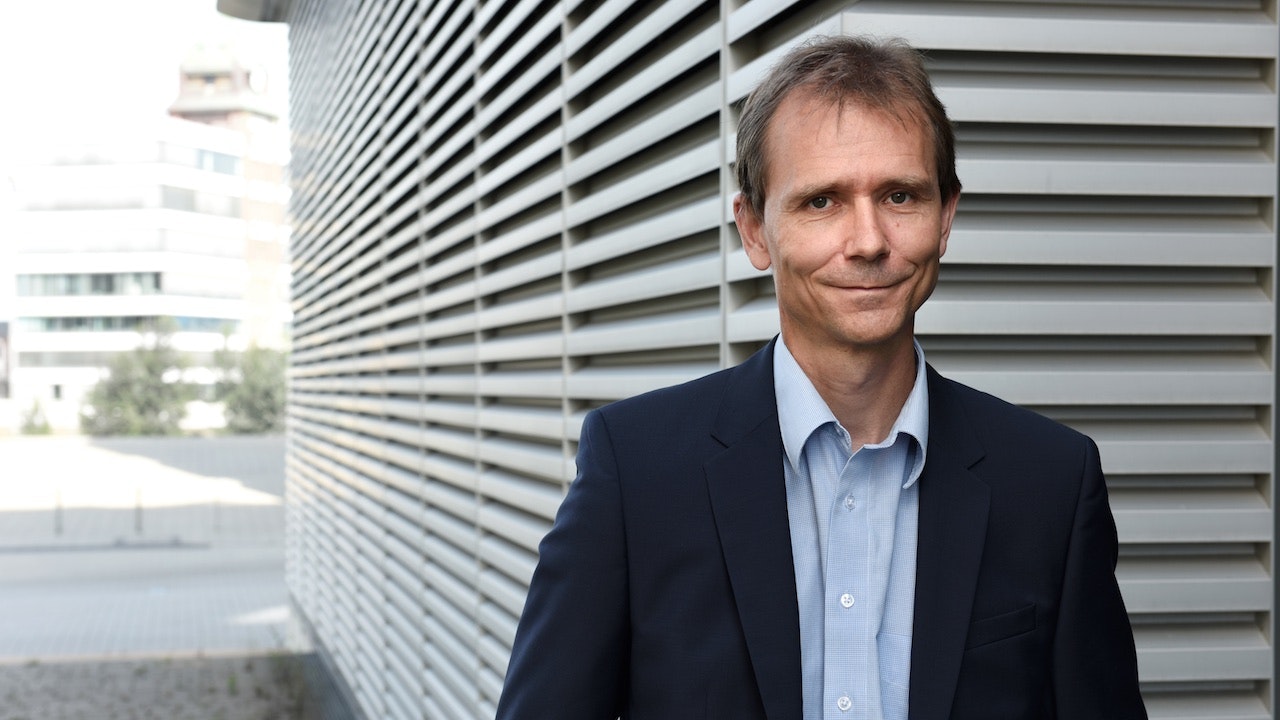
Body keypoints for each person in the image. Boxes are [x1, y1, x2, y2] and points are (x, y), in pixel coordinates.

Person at [495, 35, 1146, 720]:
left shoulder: (1050, 482)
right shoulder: (635, 471)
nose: (868, 241)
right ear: (753, 230)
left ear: (946, 216)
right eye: (822, 202)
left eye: (900, 195)